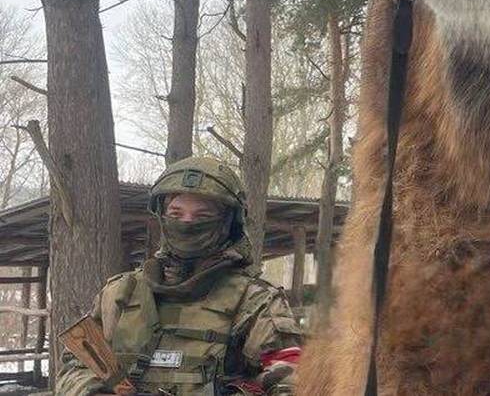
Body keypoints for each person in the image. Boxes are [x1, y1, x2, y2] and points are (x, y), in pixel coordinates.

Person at [57, 156, 304, 395]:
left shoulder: (256, 302)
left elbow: (292, 383)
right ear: (163, 217)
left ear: (228, 223)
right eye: (176, 214)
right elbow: (76, 366)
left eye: (202, 216)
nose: (187, 223)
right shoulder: (120, 293)